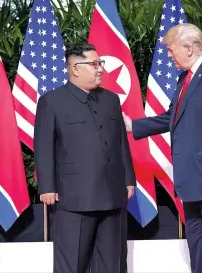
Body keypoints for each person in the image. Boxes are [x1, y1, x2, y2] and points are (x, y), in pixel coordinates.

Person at [123, 23, 202, 273]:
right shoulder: (187, 77)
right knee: (197, 246)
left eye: (171, 50)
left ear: (190, 48)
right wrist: (133, 126)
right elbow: (173, 116)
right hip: (191, 180)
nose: (169, 56)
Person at [34, 43, 136, 273]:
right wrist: (47, 187)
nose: (100, 68)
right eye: (94, 64)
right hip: (74, 199)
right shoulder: (52, 101)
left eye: (100, 63)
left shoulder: (111, 99)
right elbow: (43, 146)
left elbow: (121, 141)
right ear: (75, 69)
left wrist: (129, 179)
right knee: (72, 263)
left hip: (113, 194)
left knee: (113, 263)